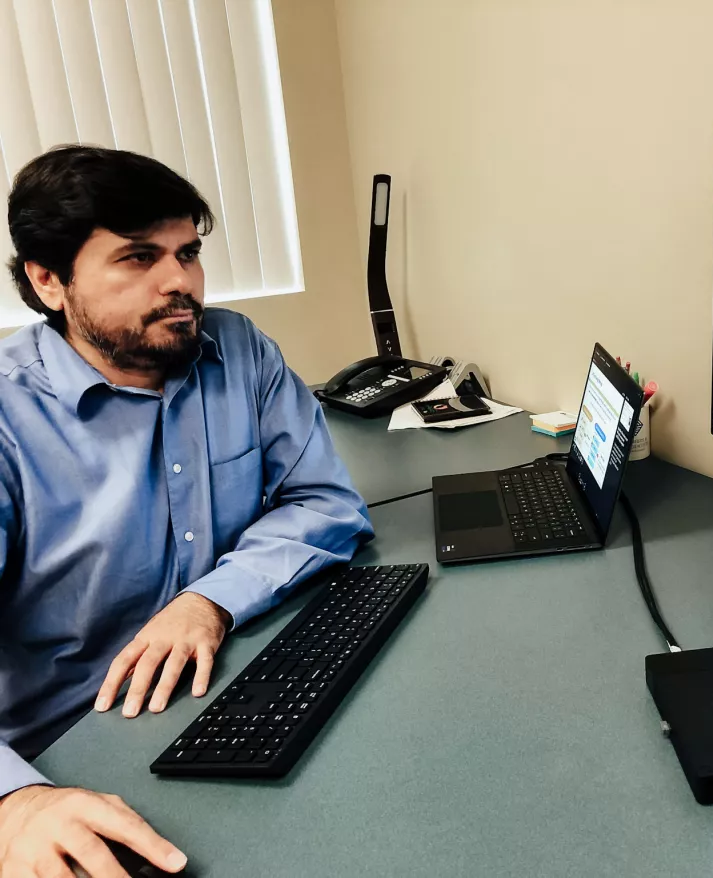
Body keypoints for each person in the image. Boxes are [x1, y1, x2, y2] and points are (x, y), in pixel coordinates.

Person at [0, 146, 374, 876]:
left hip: (227, 683)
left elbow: (324, 502)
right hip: (67, 753)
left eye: (189, 253)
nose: (182, 283)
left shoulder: (238, 350)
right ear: (48, 281)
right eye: (139, 258)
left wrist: (208, 600)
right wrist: (15, 801)